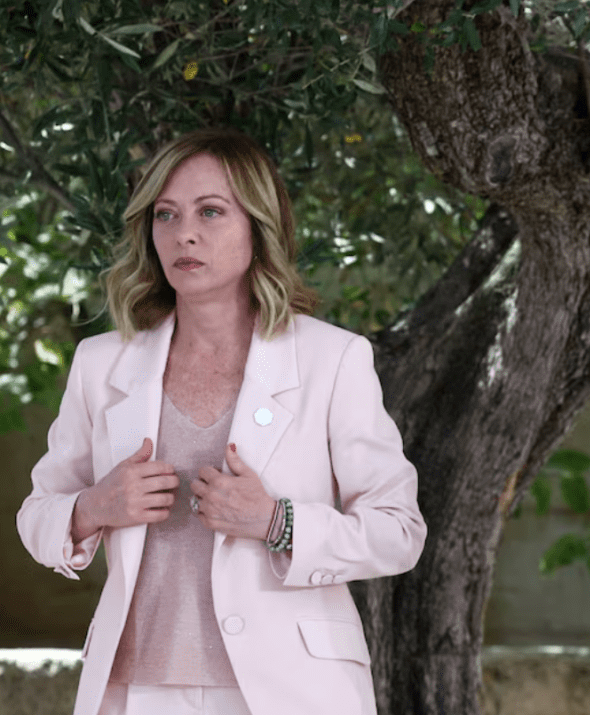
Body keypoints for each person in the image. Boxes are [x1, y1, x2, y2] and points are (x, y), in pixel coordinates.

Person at [16, 127, 427, 715]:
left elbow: (398, 530)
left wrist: (278, 522)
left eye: (211, 211)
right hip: (135, 691)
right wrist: (93, 509)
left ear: (259, 227)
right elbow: (37, 515)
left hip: (291, 690)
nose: (185, 232)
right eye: (166, 214)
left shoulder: (333, 359)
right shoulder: (101, 363)